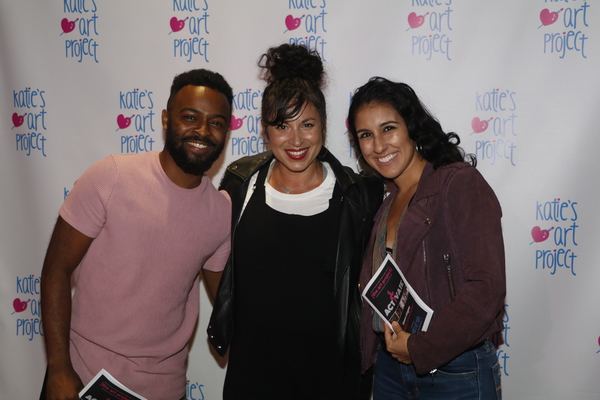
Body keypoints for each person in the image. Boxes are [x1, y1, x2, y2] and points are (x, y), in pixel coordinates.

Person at [40, 69, 234, 400]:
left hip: (163, 390)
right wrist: (59, 368)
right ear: (165, 118)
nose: (203, 130)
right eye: (190, 117)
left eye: (216, 122)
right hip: (82, 381)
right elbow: (55, 270)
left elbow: (228, 303)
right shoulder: (111, 176)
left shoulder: (221, 211)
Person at [207, 44, 383, 400]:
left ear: (324, 127)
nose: (297, 140)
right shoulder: (239, 184)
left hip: (333, 380)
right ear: (265, 131)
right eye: (282, 126)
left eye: (307, 124)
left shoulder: (357, 194)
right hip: (253, 376)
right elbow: (216, 265)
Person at [347, 77, 506, 400]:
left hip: (456, 371)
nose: (378, 146)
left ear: (412, 128)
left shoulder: (458, 184)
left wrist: (421, 347)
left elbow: (486, 290)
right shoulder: (385, 201)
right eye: (366, 135)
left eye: (388, 128)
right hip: (391, 371)